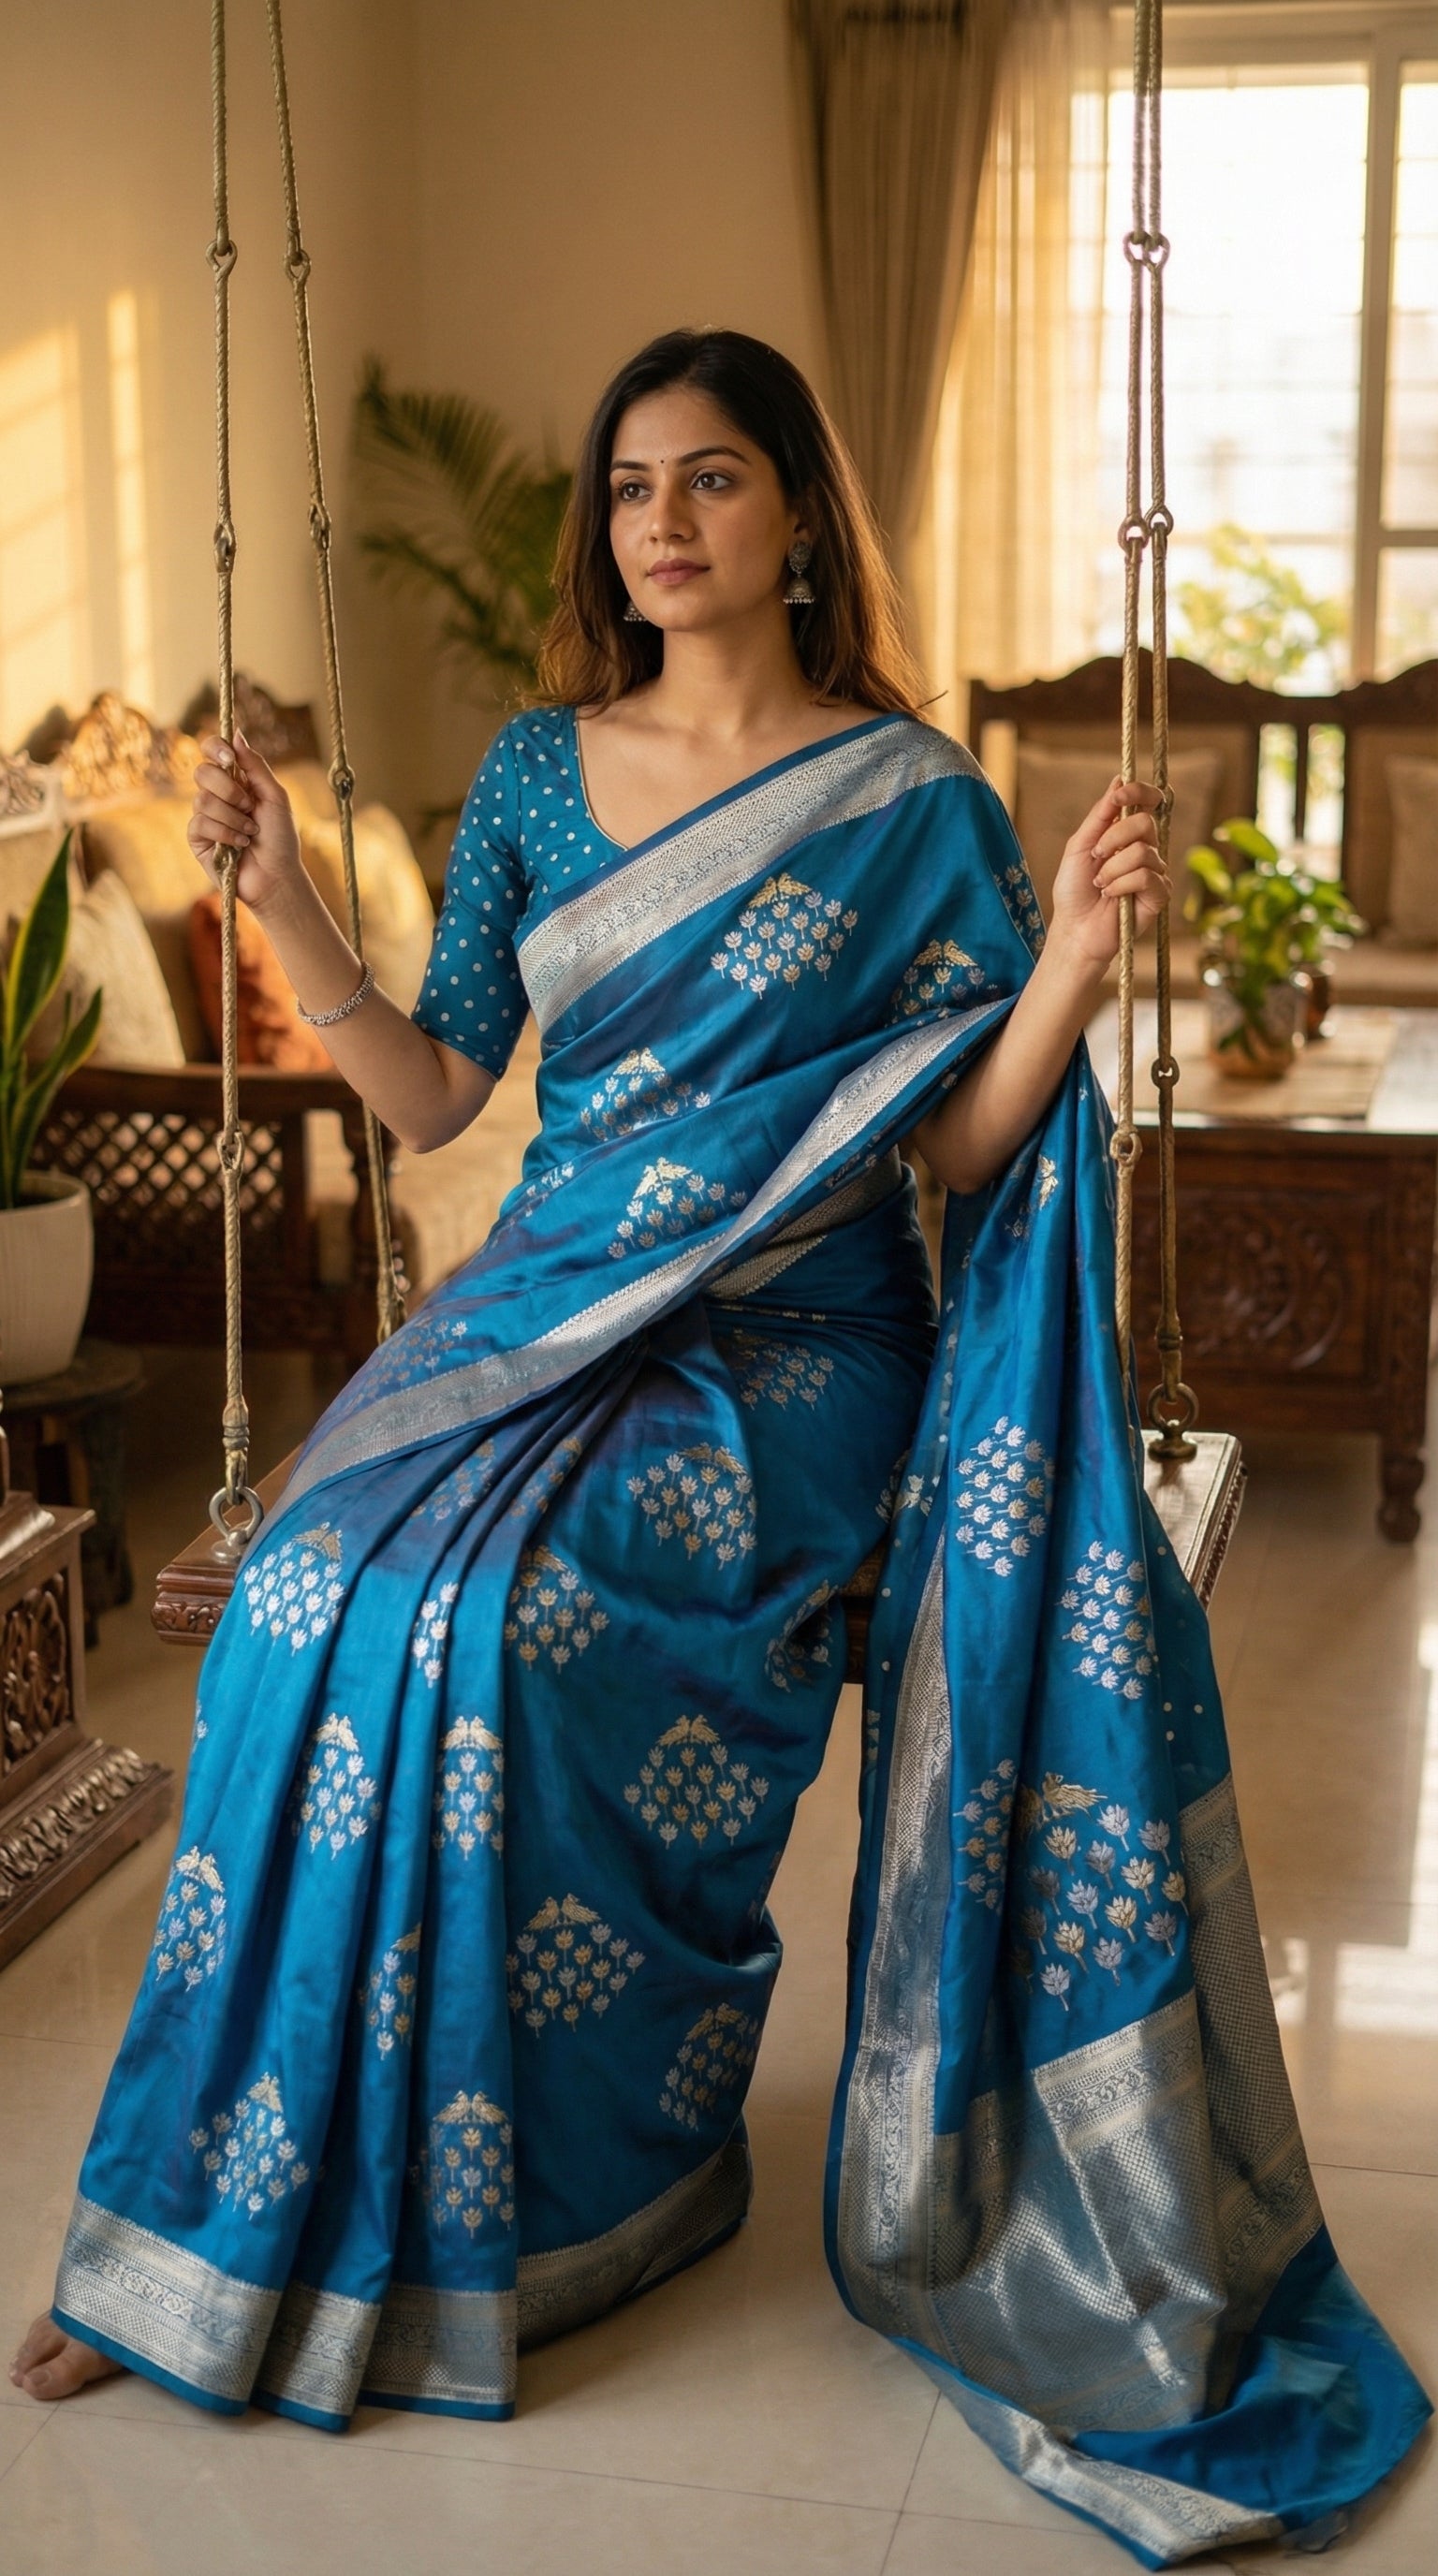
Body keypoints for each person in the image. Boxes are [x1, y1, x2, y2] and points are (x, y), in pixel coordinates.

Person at [12, 329, 1427, 2561]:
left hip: (796, 1342)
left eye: (713, 481)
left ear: (796, 520)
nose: (658, 525)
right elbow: (441, 1095)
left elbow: (958, 1142)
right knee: (300, 1595)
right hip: (547, 1302)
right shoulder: (538, 780)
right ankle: (209, 2201)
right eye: (631, 488)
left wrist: (1061, 955)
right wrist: (283, 894)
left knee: (512, 1622)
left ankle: (575, 2178)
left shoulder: (911, 801)